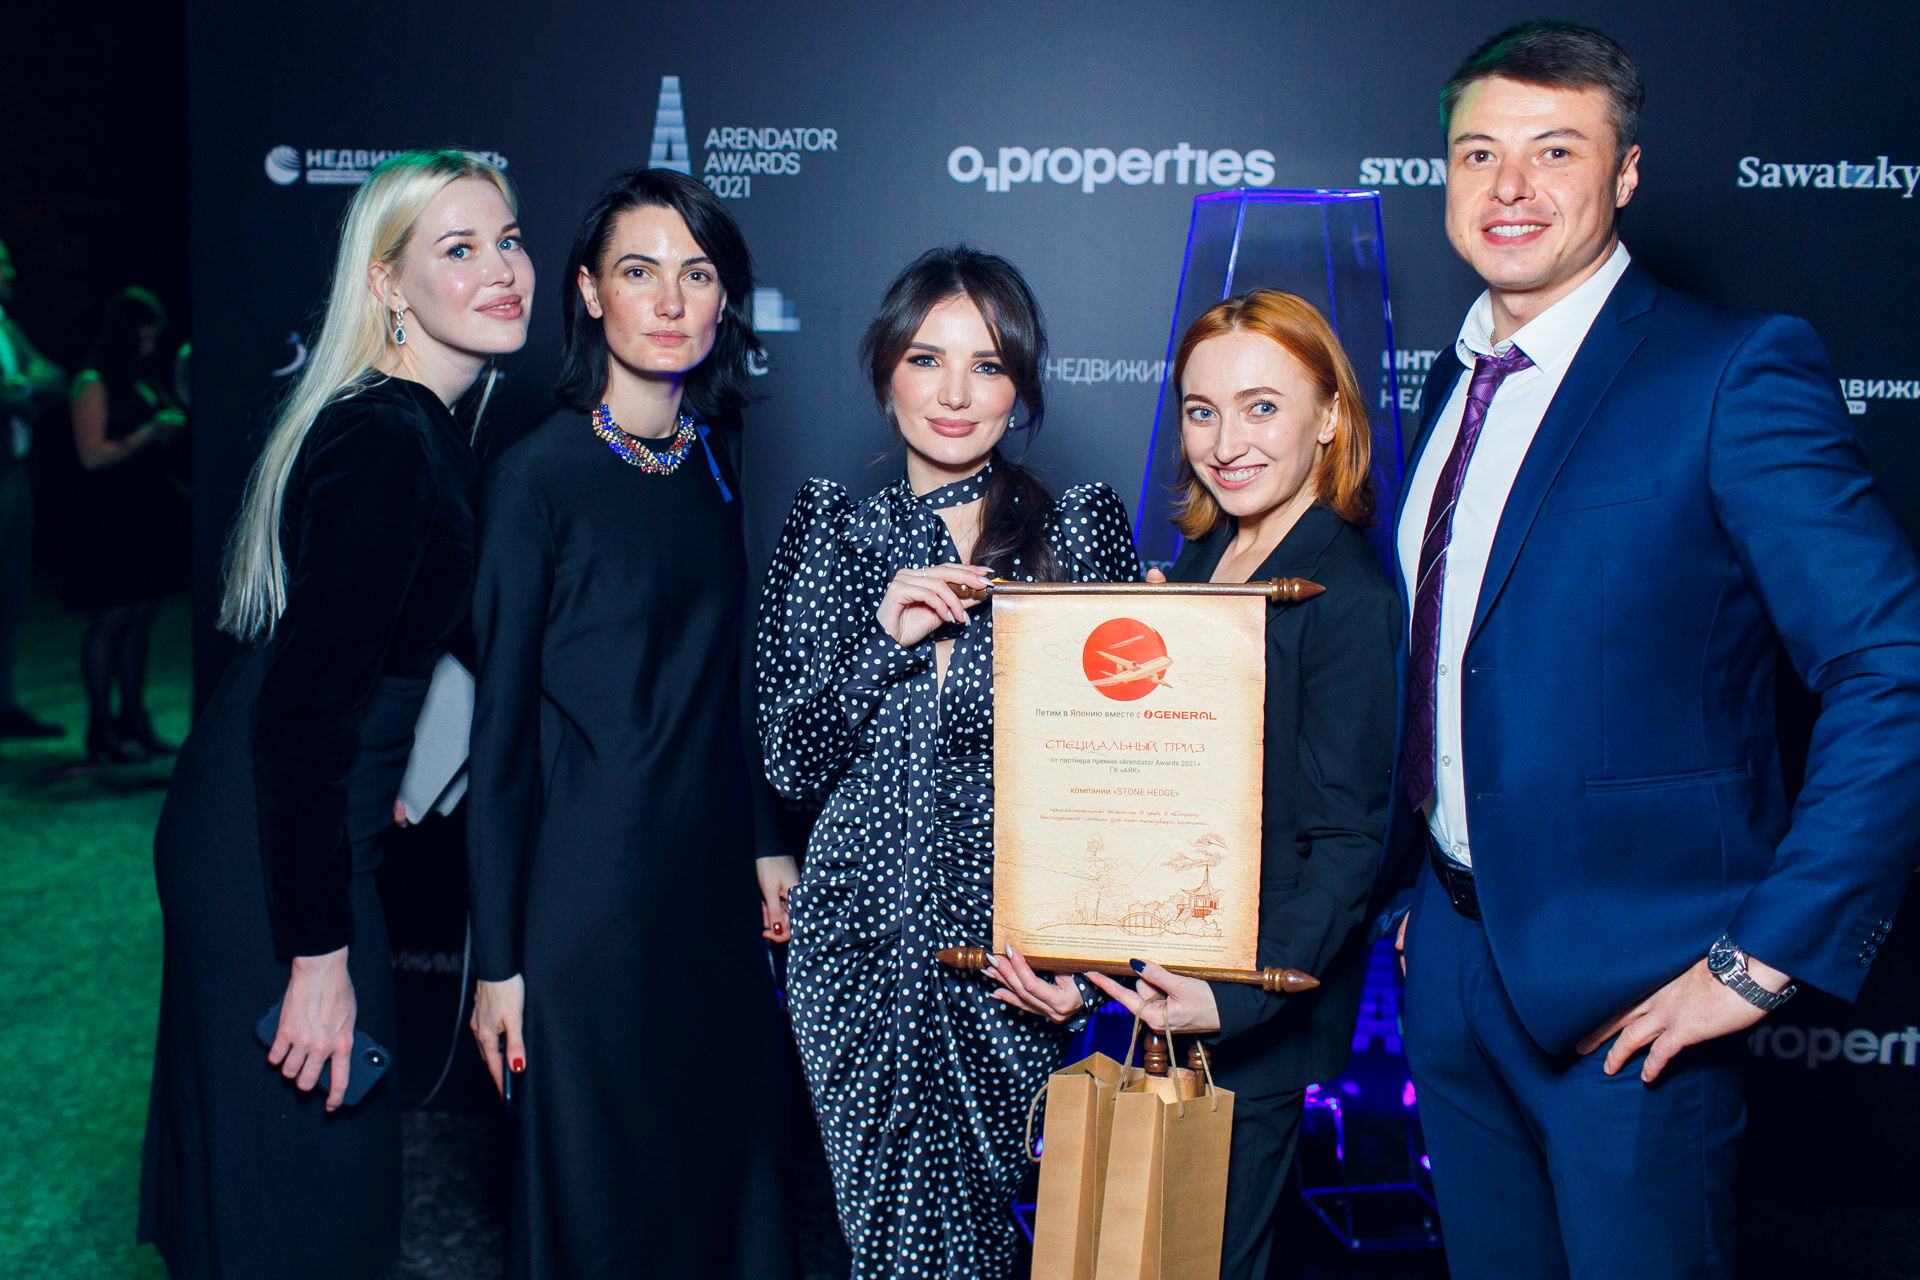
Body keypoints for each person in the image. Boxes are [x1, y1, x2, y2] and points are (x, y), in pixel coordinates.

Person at [1384, 22, 1920, 1278]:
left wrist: (1763, 956)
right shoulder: (1455, 381)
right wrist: (1424, 892)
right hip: (1452, 958)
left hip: (1637, 995)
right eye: (1480, 153)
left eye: (1555, 150)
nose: (1510, 187)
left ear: (1626, 173)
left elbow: (1893, 665)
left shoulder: (1731, 371)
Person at [139, 150, 532, 1279]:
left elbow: (383, 655)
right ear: (388, 283)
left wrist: (400, 766)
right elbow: (303, 714)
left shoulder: (420, 429)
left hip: (301, 829)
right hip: (269, 864)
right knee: (302, 1200)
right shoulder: (386, 440)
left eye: (507, 240)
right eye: (458, 248)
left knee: (306, 1192)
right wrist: (316, 956)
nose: (501, 269)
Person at [991, 290, 1400, 1280]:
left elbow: (1351, 840)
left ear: (1330, 416)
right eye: (1202, 410)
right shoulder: (1210, 557)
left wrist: (1236, 1002)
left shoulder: (1346, 593)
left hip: (1237, 1021)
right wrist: (1077, 953)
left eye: (1262, 407)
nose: (1226, 442)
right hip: (1157, 995)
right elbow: (1150, 799)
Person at [757, 245, 1140, 1279]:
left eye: (987, 364)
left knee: (984, 1240)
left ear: (1021, 388)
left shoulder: (1074, 532)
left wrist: (1090, 975)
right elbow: (789, 760)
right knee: (883, 1241)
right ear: (887, 372)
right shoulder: (831, 533)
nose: (955, 393)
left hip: (1009, 960)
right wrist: (883, 641)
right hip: (854, 951)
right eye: (927, 359)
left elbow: (1120, 780)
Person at [464, 167, 789, 1280]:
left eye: (696, 274)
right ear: (590, 291)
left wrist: (763, 839)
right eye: (639, 271)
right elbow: (499, 742)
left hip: (709, 897)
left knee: (719, 1183)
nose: (669, 300)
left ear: (724, 298)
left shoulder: (713, 453)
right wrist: (498, 965)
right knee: (602, 1211)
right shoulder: (533, 481)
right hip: (589, 909)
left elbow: (729, 673)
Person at [67, 287, 189, 762]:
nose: (149, 348)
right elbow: (91, 455)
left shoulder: (140, 380)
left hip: (145, 514)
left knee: (140, 617)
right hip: (110, 518)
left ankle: (134, 719)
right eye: (141, 340)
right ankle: (101, 728)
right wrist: (149, 432)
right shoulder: (93, 382)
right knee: (112, 617)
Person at [0, 237, 68, 743]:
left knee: (11, 591)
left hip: (15, 474)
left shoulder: (7, 327)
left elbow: (56, 379)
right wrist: (24, 387)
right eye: (2, 264)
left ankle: (3, 703)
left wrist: (18, 388)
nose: (10, 273)